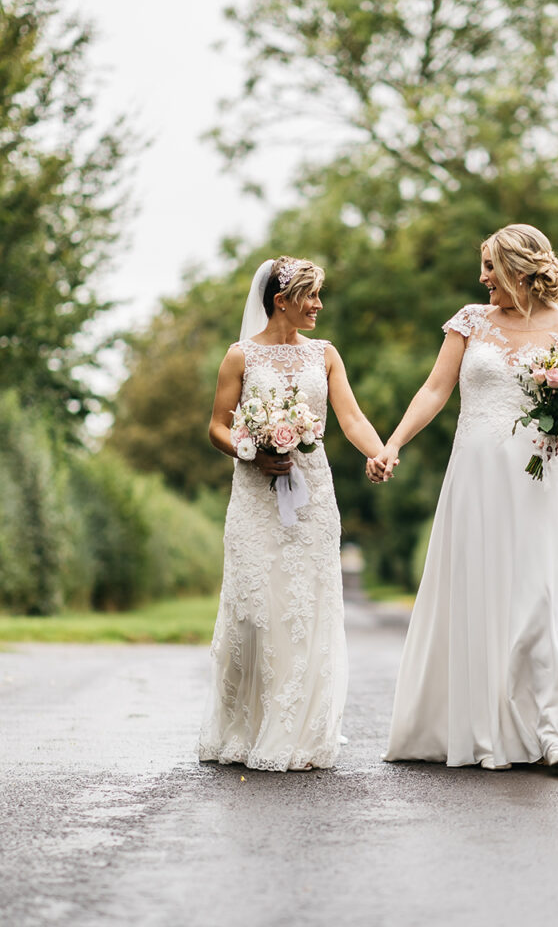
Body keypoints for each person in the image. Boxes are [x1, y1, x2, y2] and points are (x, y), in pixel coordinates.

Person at [371, 224, 558, 773]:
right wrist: (392, 443)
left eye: (491, 267)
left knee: (537, 595)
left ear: (521, 269)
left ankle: (555, 734)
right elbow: (434, 390)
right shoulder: (470, 322)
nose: (482, 277)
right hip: (474, 473)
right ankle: (468, 725)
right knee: (478, 590)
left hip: (536, 477)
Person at [198, 256, 386, 771]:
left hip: (312, 497)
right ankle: (245, 728)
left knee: (306, 606)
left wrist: (378, 451)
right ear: (282, 301)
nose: (319, 306)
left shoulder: (325, 355)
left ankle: (299, 733)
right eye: (311, 296)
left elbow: (350, 418)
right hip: (255, 496)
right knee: (255, 609)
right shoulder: (240, 357)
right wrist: (251, 451)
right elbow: (216, 425)